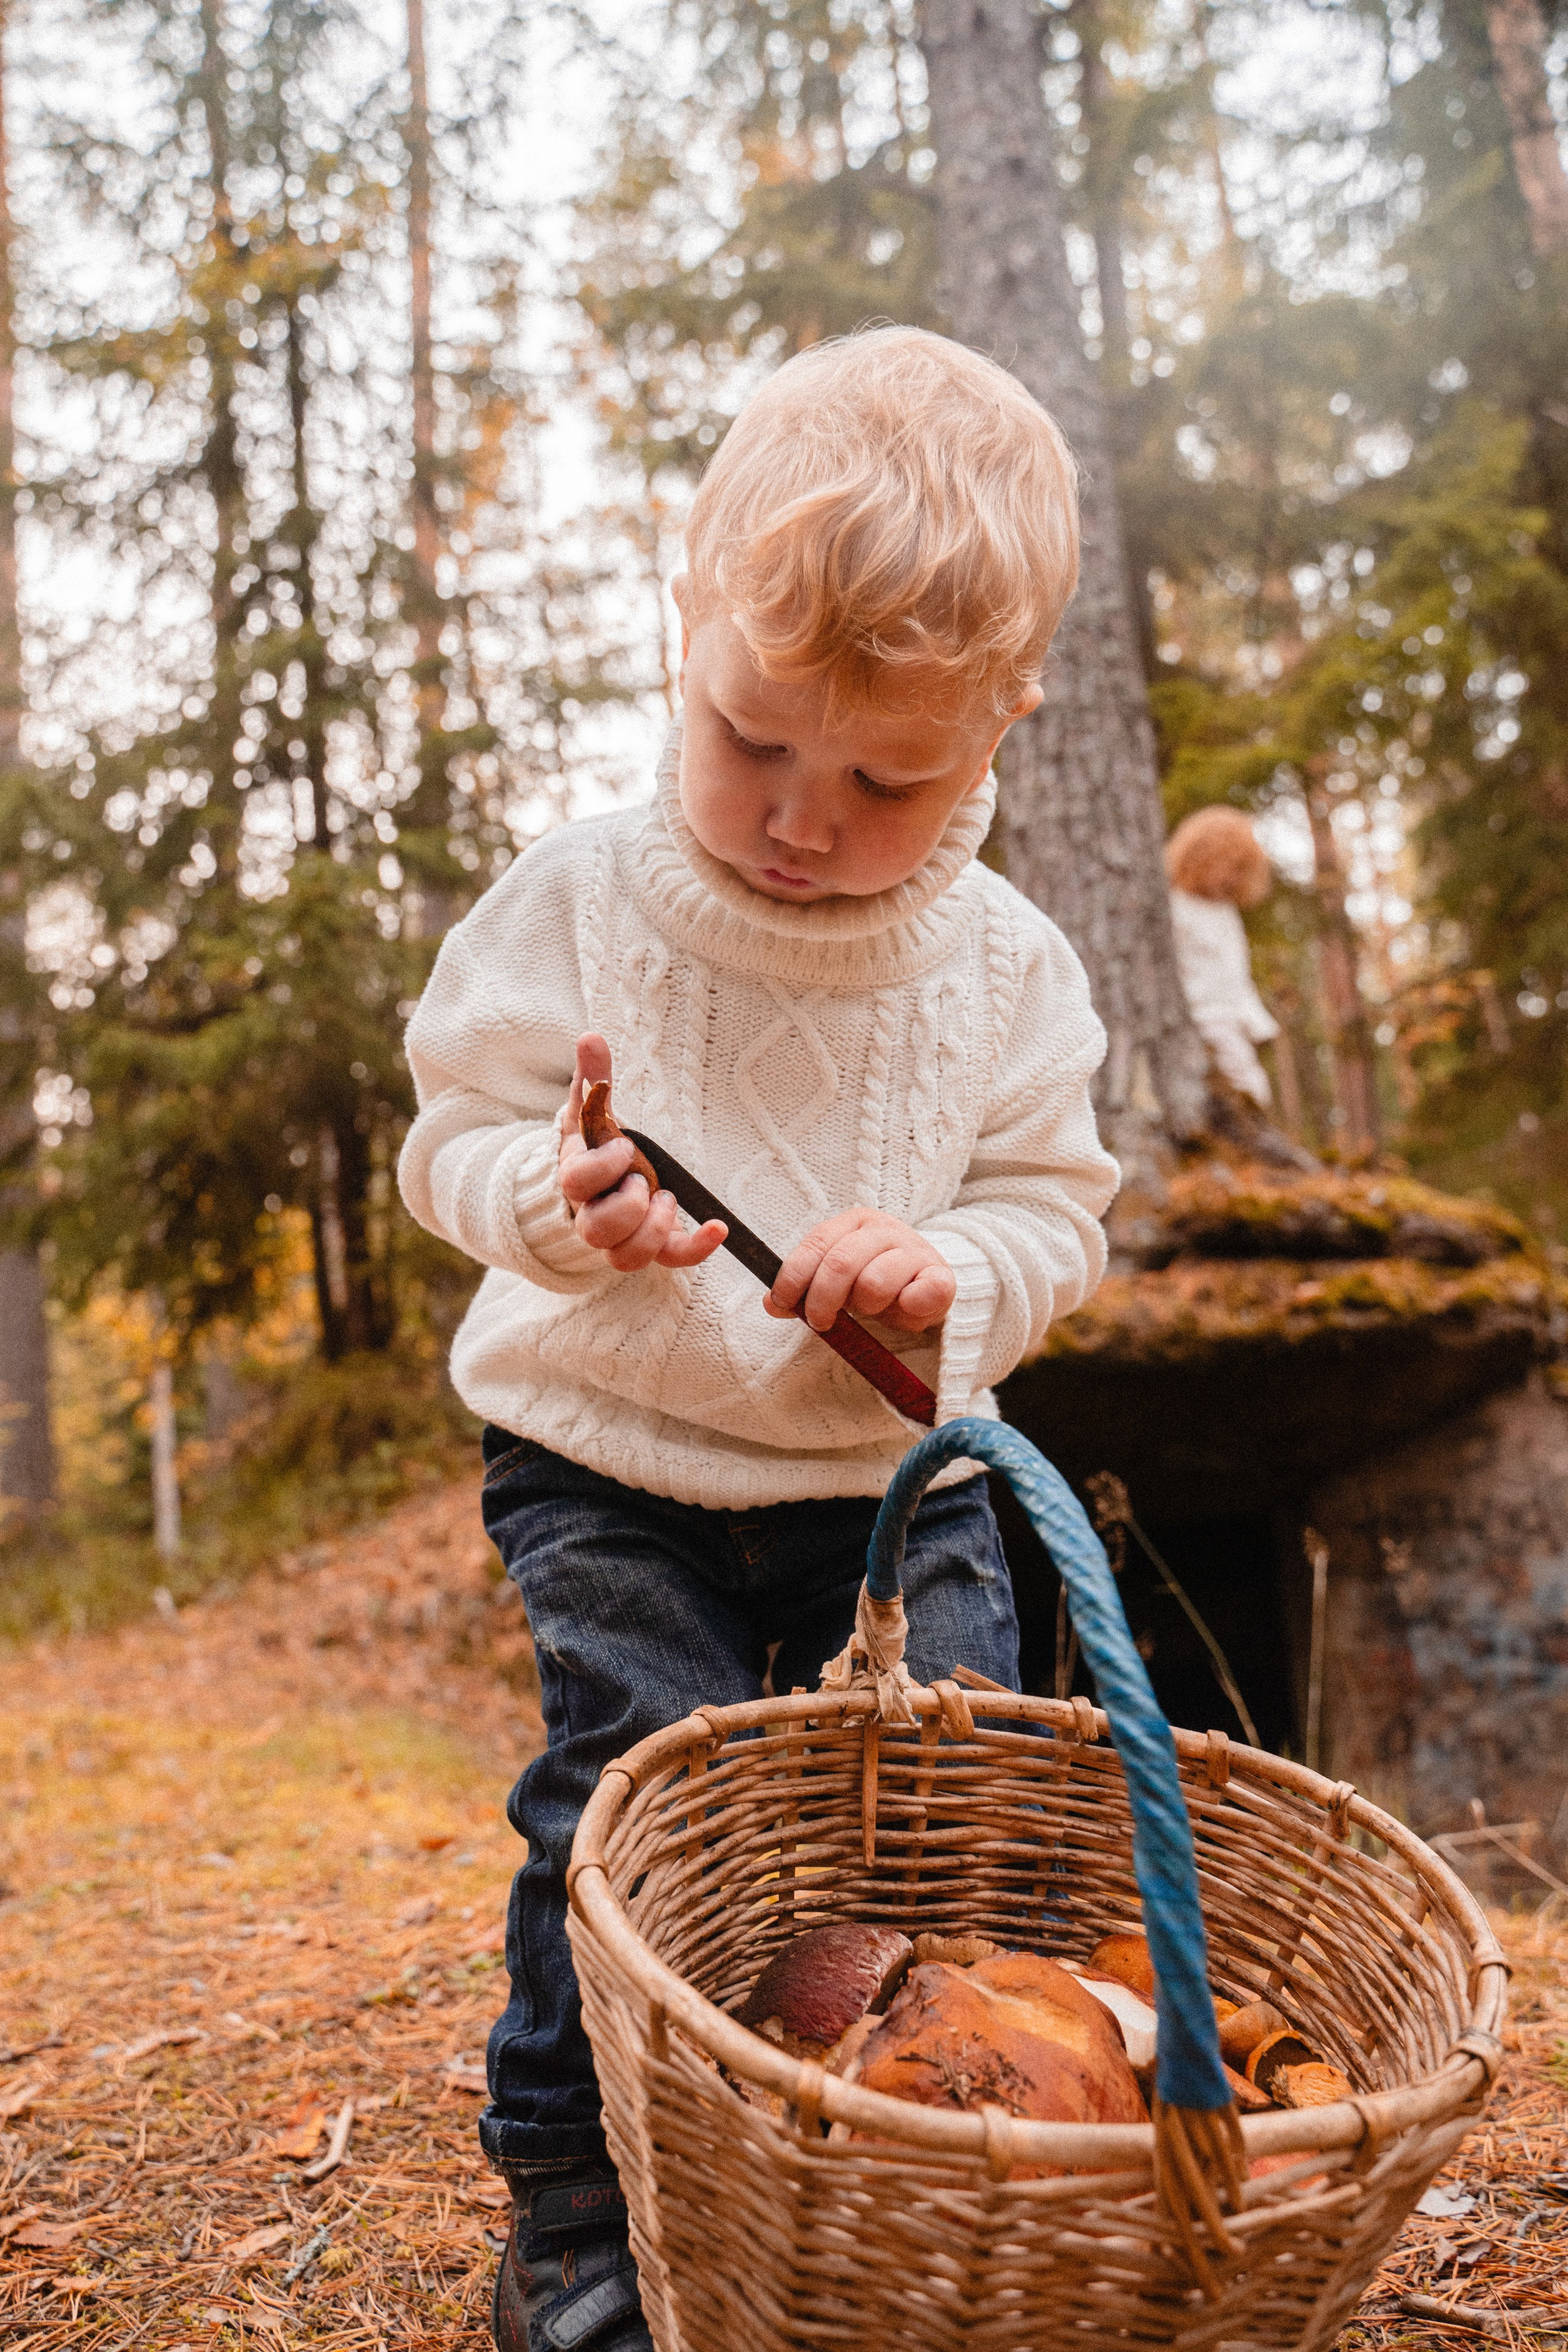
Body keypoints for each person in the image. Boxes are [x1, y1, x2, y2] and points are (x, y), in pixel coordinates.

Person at [397, 325, 1120, 2352]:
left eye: (888, 777)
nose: (803, 822)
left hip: (893, 1473)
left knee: (930, 1810)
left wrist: (952, 1274)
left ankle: (872, 2162)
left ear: (999, 733)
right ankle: (568, 2187)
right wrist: (559, 1207)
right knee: (626, 1796)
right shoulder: (584, 901)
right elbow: (451, 1138)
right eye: (752, 742)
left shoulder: (1006, 970)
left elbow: (1057, 1214)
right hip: (611, 1451)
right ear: (686, 627)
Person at [1164, 805, 1279, 1109]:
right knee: (1248, 1087)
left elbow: (1235, 972)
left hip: (1231, 1019)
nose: (1233, 878)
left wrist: (1257, 1022)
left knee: (1253, 1087)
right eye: (1230, 866)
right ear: (1201, 857)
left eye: (1243, 869)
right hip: (1201, 1016)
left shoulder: (1227, 913)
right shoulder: (1176, 905)